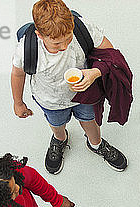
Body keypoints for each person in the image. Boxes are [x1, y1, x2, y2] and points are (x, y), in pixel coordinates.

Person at [11, 0, 127, 174]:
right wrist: (18, 102)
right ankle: (60, 139)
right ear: (40, 35)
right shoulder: (26, 49)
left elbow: (112, 55)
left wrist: (95, 72)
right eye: (57, 44)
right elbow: (18, 74)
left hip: (86, 96)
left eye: (68, 39)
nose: (64, 46)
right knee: (56, 123)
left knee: (90, 120)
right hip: (50, 100)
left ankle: (96, 144)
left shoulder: (83, 28)